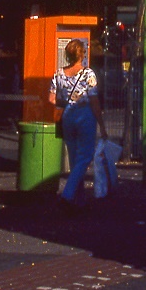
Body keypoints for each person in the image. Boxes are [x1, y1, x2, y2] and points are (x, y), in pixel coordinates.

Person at [48, 39, 106, 210]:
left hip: (67, 116)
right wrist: (101, 124)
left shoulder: (58, 74)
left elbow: (51, 99)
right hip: (85, 115)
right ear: (82, 55)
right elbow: (94, 101)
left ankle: (78, 201)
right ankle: (67, 195)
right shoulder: (89, 74)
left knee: (74, 159)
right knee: (86, 156)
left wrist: (66, 102)